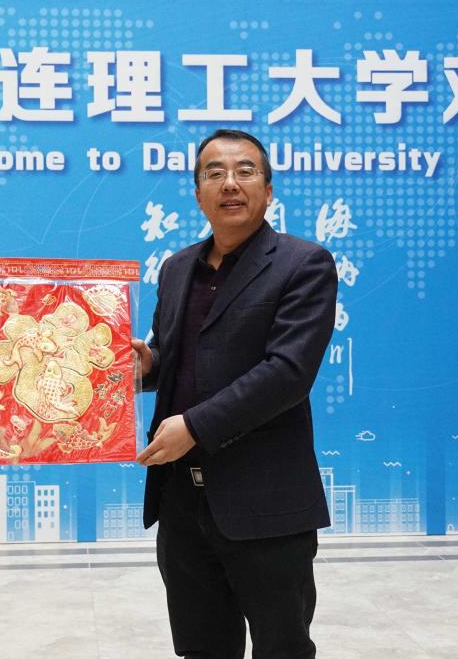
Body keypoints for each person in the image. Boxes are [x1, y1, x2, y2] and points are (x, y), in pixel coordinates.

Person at [133, 128, 338, 658]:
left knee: (282, 648)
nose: (230, 183)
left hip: (266, 502)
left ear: (268, 191)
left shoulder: (304, 263)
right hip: (182, 502)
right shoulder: (177, 268)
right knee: (201, 649)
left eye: (245, 171)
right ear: (197, 193)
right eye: (214, 173)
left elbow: (287, 372)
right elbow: (175, 355)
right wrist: (147, 364)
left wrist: (194, 426)